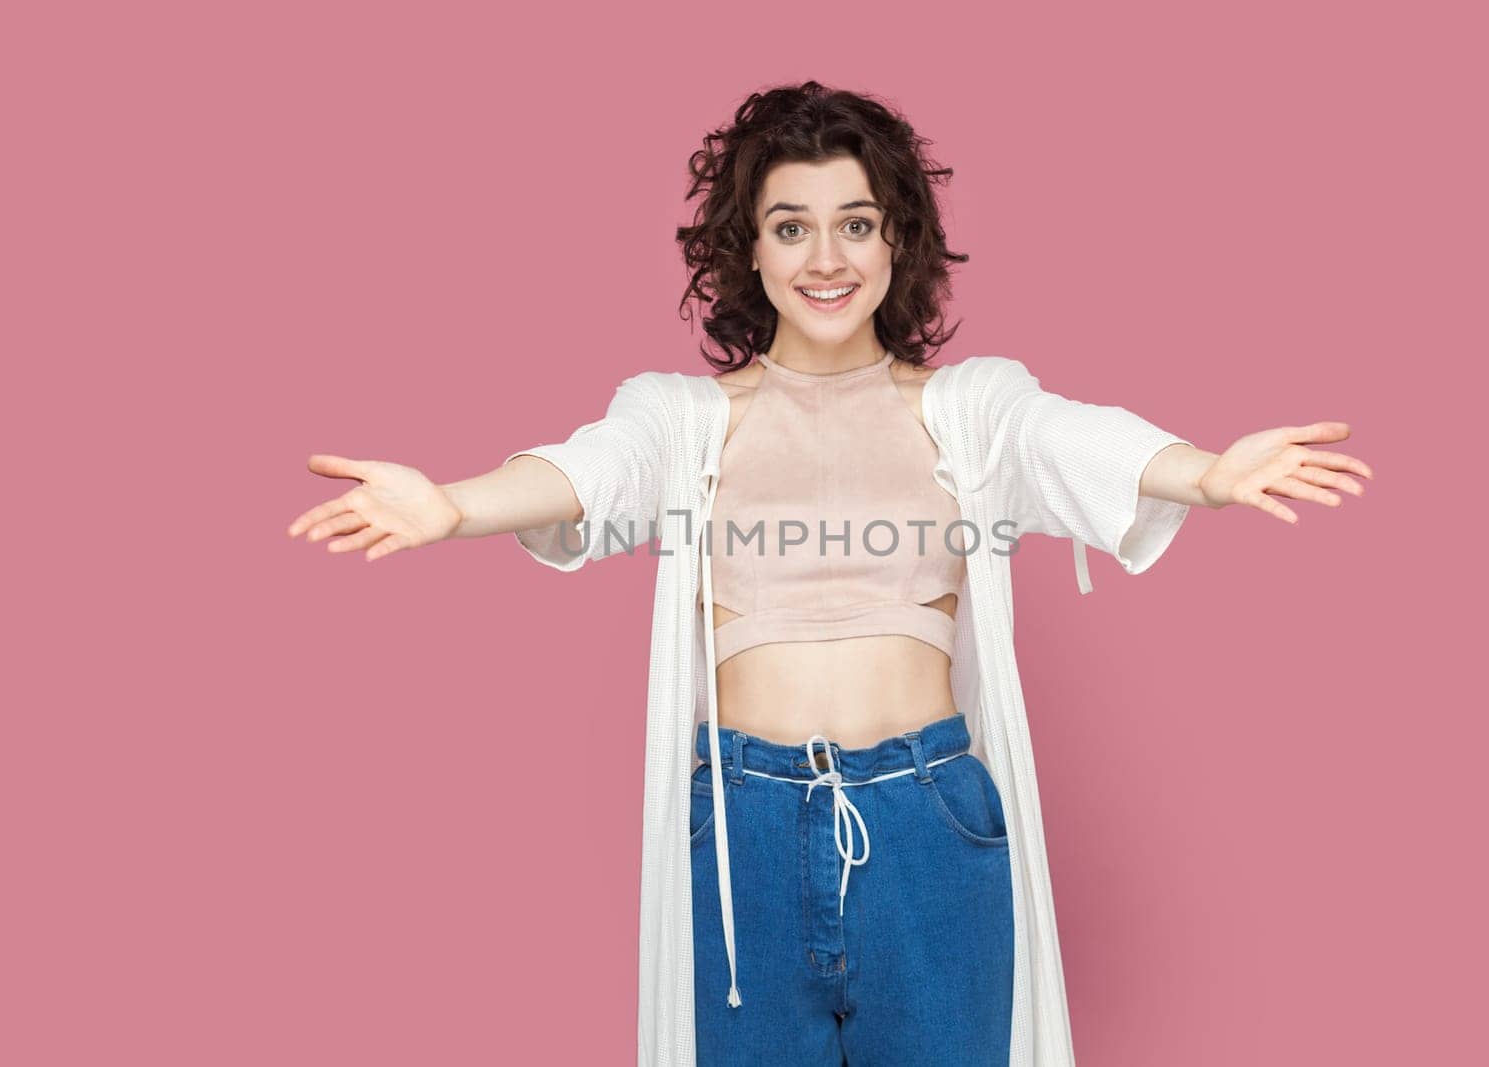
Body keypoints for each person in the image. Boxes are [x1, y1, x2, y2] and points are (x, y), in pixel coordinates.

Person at [287, 81, 1373, 1066]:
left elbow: (1072, 441)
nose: (826, 257)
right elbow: (590, 473)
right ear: (746, 250)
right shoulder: (683, 419)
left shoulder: (967, 409)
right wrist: (453, 505)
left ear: (898, 240)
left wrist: (1207, 472)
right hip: (744, 830)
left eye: (855, 223)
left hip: (928, 822)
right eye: (790, 225)